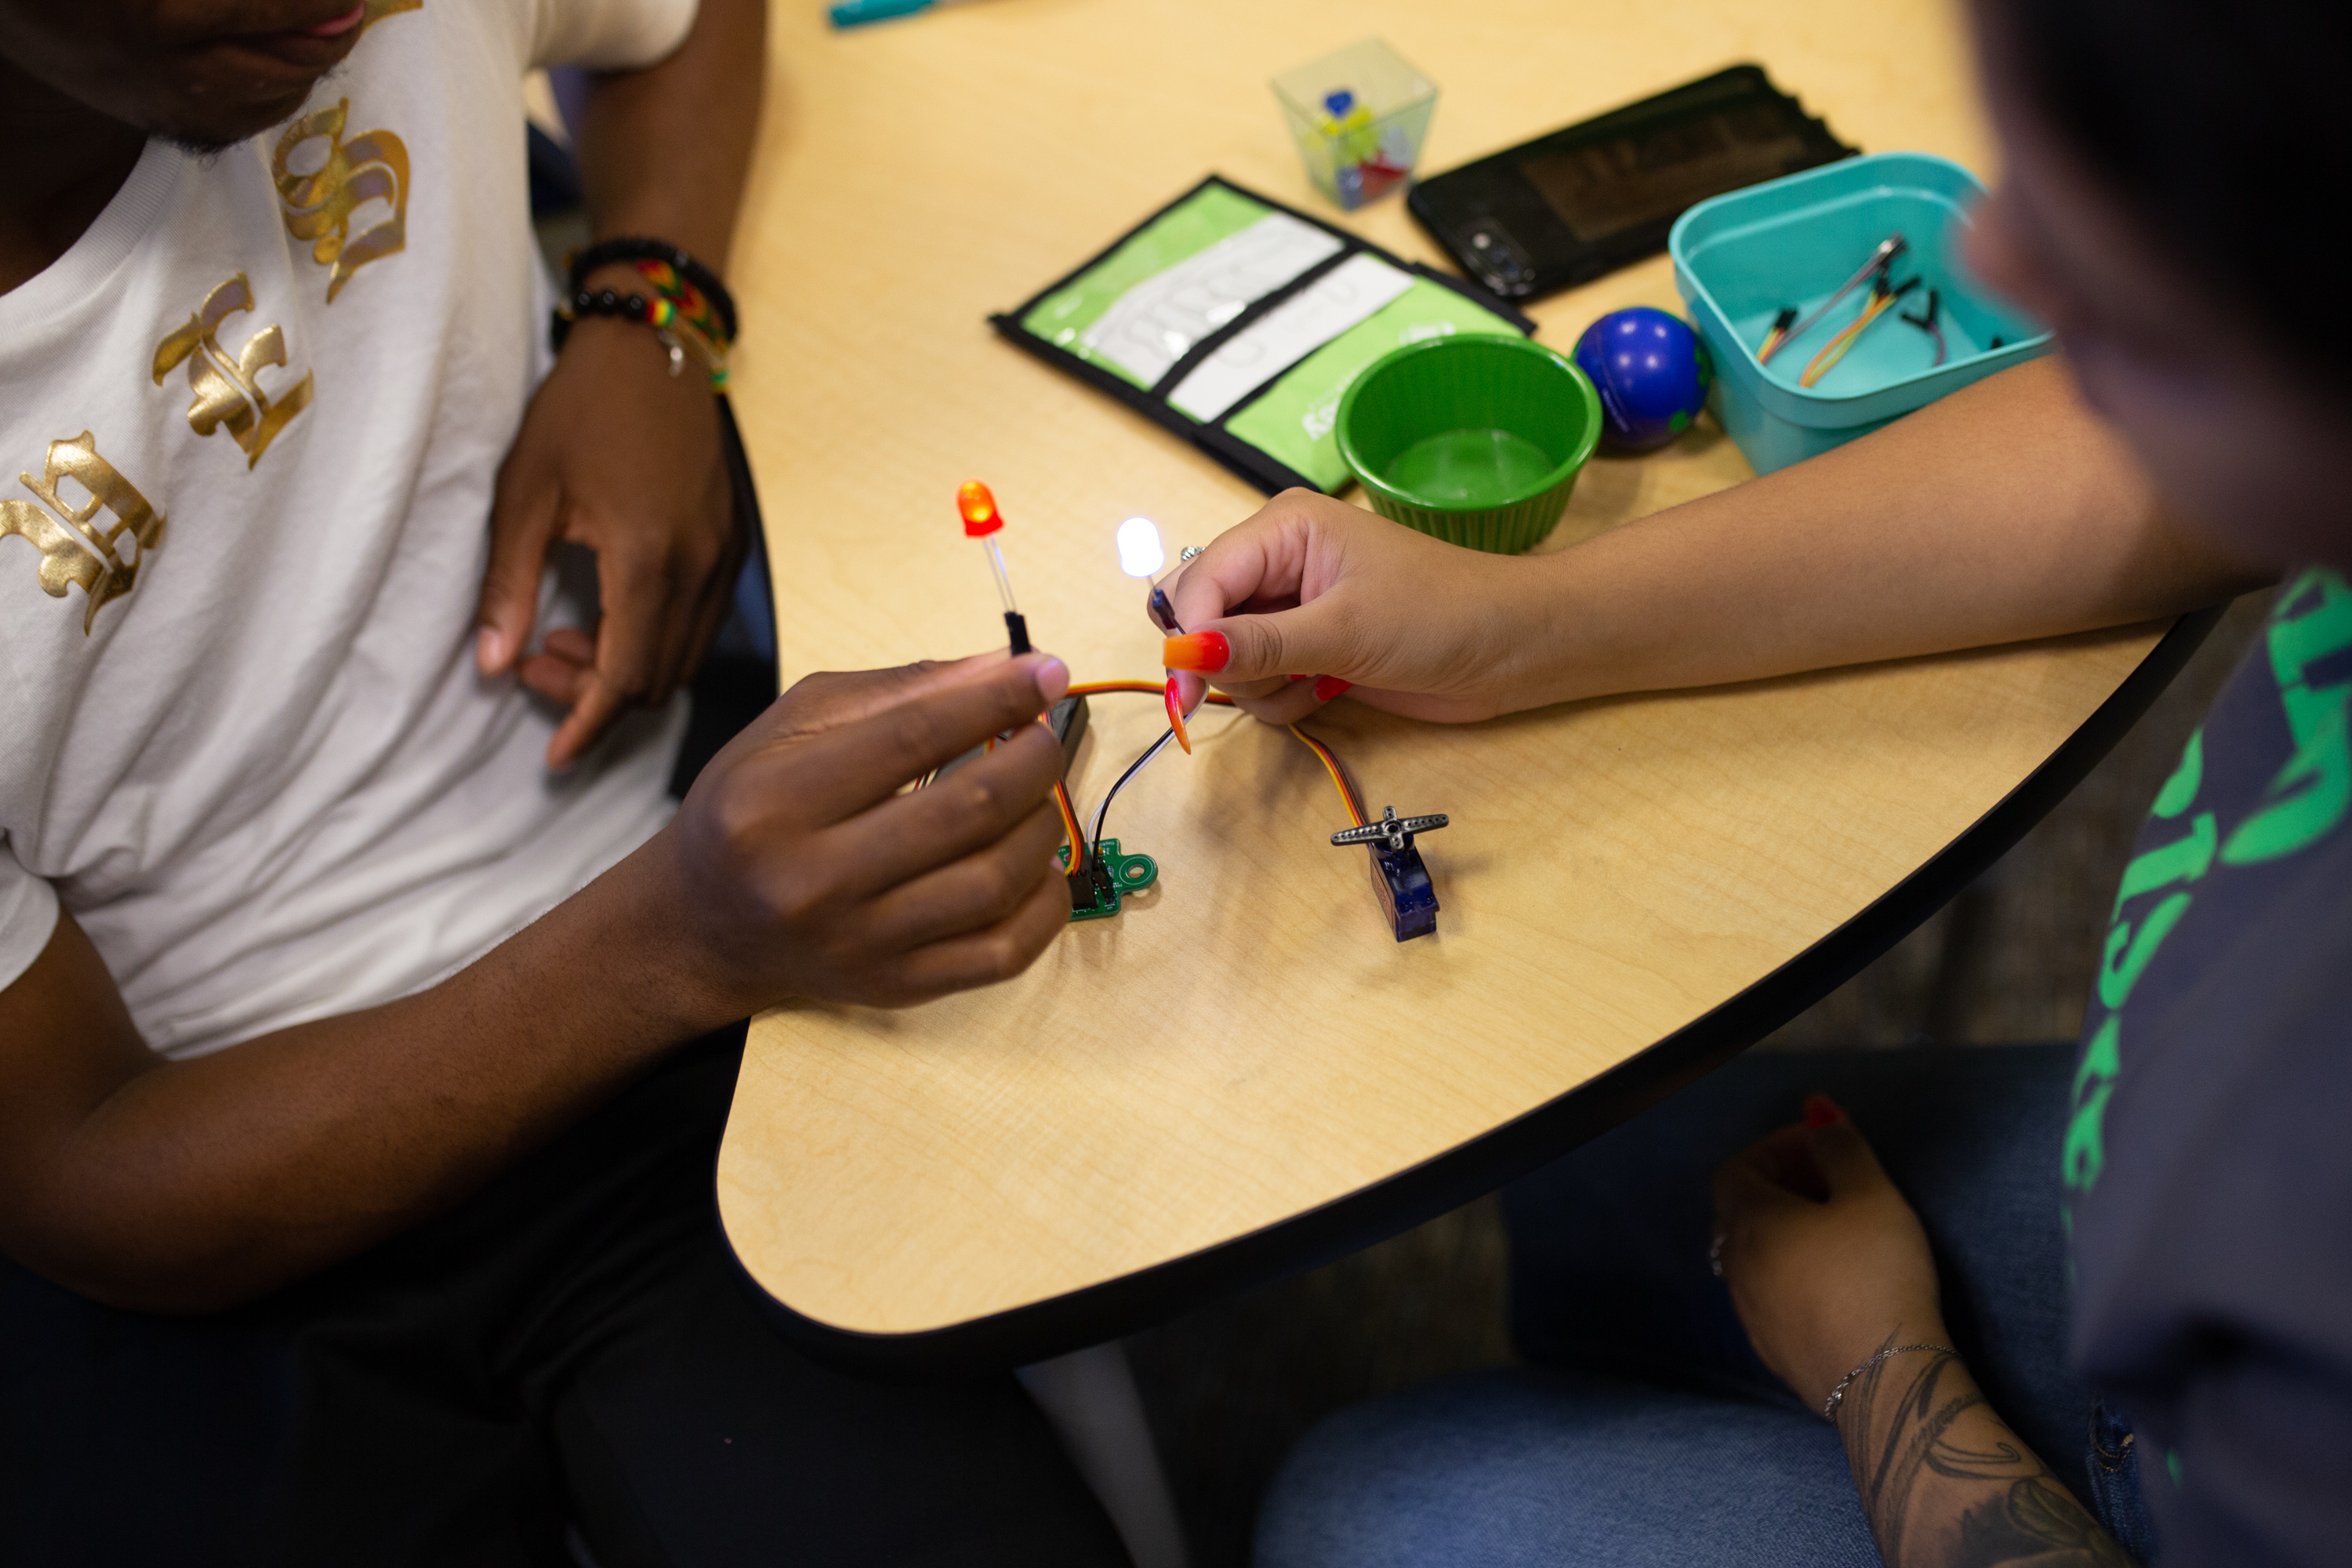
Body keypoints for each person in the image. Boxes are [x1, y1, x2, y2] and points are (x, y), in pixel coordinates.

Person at [1154, 1, 2347, 1563]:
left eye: (2117, 257)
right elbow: (2120, 447)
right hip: (2180, 1220)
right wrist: (1523, 623)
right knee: (1603, 1168)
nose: (2006, 286)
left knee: (1361, 1511)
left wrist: (1884, 1375)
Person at [0, 3, 1123, 1563]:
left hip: (678, 930)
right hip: (232, 1173)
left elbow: (686, 24)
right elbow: (81, 1165)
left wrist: (651, 315)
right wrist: (678, 944)